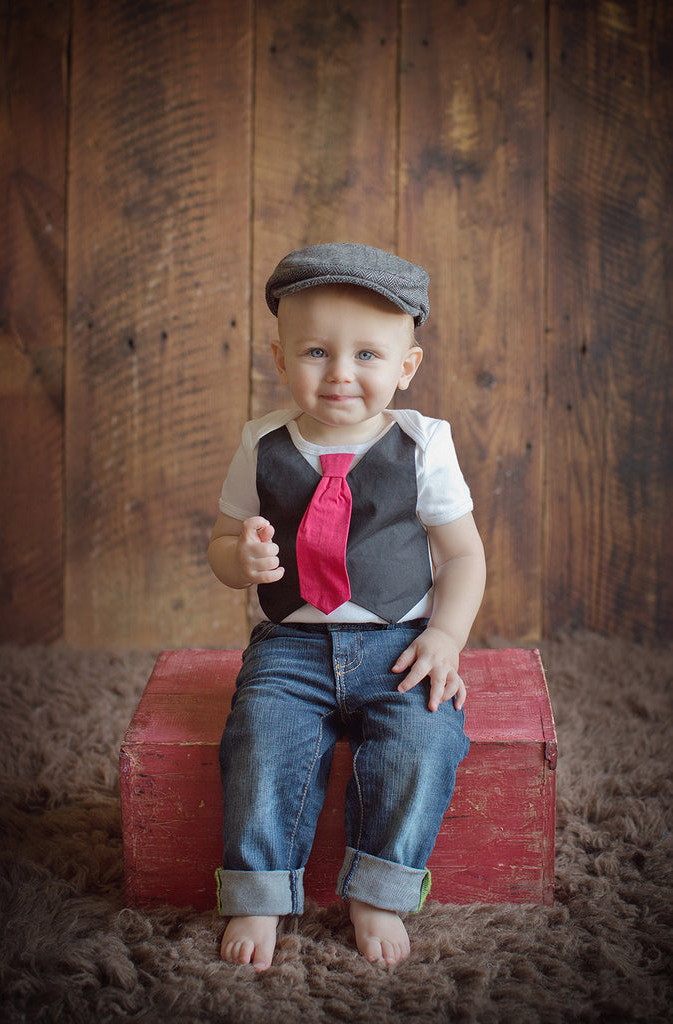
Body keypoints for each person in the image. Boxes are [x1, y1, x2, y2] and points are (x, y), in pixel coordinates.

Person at [208, 243, 486, 971]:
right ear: (278, 357)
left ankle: (380, 887)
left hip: (401, 642)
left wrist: (447, 638)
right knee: (259, 738)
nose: (339, 374)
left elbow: (462, 557)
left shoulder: (423, 444)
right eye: (315, 351)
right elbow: (219, 543)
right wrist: (239, 560)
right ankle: (261, 888)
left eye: (367, 354)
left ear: (406, 366)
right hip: (290, 646)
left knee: (425, 741)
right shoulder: (262, 443)